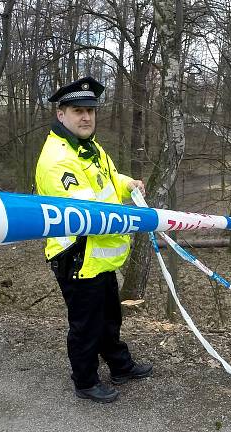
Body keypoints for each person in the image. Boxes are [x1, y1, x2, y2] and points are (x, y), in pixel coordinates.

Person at [35, 76, 152, 403]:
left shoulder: (91, 147)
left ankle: (120, 366)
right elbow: (90, 213)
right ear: (61, 115)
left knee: (110, 317)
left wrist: (129, 184)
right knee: (86, 326)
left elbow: (110, 178)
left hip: (99, 257)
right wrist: (135, 218)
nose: (86, 117)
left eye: (90, 110)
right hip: (76, 256)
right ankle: (85, 380)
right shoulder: (58, 159)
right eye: (77, 110)